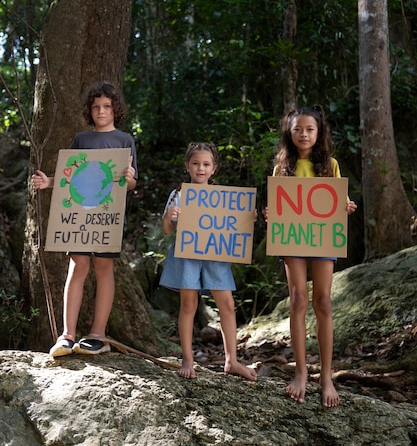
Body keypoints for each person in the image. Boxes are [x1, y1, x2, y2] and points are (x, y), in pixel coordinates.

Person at [32, 81, 138, 358]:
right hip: (78, 215)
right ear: (89, 111)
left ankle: (98, 335)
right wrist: (48, 182)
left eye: (106, 106)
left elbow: (130, 183)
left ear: (116, 109)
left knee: (104, 267)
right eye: (95, 107)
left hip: (108, 215)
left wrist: (130, 180)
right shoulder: (82, 139)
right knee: (77, 265)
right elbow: (71, 178)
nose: (101, 111)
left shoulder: (125, 140)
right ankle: (67, 335)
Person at [266, 105, 356, 407]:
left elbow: (337, 203)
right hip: (293, 241)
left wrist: (346, 206)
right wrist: (271, 213)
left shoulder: (330, 164)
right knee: (298, 300)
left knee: (324, 302)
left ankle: (327, 376)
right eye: (297, 130)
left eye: (309, 129)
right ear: (289, 134)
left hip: (323, 240)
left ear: (319, 133)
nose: (303, 134)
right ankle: (301, 373)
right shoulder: (282, 169)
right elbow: (279, 207)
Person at [160, 141, 257, 382]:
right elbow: (168, 230)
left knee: (227, 304)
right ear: (187, 166)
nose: (200, 169)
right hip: (187, 256)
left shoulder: (222, 198)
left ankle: (231, 360)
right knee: (188, 305)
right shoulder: (179, 195)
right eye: (195, 164)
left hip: (215, 255)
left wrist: (248, 218)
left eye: (206, 164)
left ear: (214, 168)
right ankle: (187, 359)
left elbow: (235, 227)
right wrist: (169, 216)